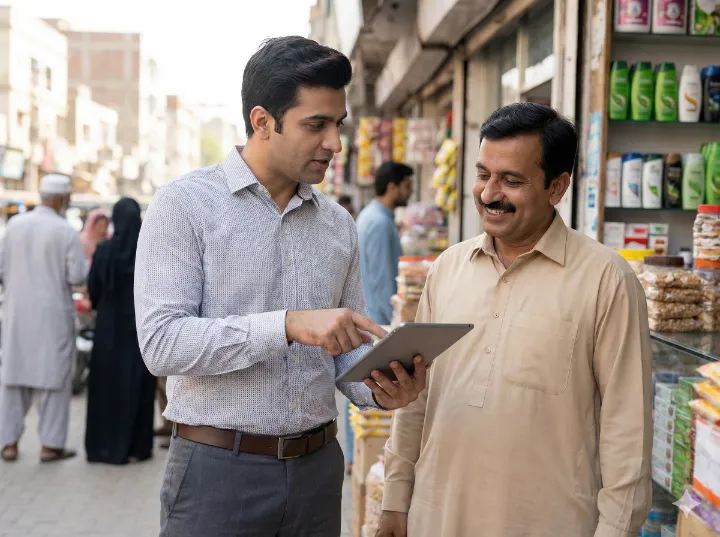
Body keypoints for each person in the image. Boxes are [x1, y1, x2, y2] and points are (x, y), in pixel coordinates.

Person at [134, 36, 427, 537]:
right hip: (217, 474)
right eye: (316, 125)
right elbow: (162, 344)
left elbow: (345, 359)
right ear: (262, 121)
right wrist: (287, 326)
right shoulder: (184, 206)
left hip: (317, 473)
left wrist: (385, 389)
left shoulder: (338, 224)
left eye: (338, 125)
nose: (334, 143)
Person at [376, 103, 652, 537]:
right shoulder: (448, 268)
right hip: (437, 516)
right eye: (484, 174)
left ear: (557, 187)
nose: (489, 194)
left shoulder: (606, 280)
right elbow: (416, 398)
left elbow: (628, 433)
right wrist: (395, 498)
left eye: (512, 180)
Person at [0, 174, 88, 463]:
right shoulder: (64, 230)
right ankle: (50, 446)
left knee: (14, 381)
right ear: (62, 199)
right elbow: (76, 276)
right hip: (52, 317)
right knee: (54, 381)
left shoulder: (14, 225)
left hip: (17, 314)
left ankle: (9, 444)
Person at [85, 197, 156, 465]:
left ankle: (103, 448)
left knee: (106, 387)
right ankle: (137, 447)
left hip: (108, 331)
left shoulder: (104, 251)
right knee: (136, 387)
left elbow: (94, 291)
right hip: (139, 331)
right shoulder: (148, 251)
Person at [356, 162, 413, 326]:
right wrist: (395, 324)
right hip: (380, 322)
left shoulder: (371, 215)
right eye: (407, 186)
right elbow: (382, 282)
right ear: (392, 187)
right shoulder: (380, 223)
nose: (410, 192)